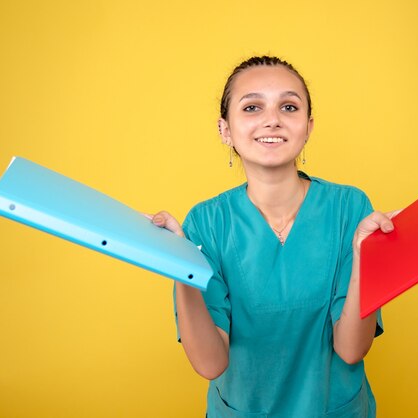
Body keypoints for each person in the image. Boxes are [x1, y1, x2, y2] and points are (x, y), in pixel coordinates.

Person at [150, 56, 397, 417]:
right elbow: (209, 364)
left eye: (288, 106)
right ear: (225, 130)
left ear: (308, 126)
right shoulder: (206, 222)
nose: (272, 120)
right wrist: (181, 269)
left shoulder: (350, 208)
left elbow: (350, 349)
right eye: (252, 107)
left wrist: (365, 254)